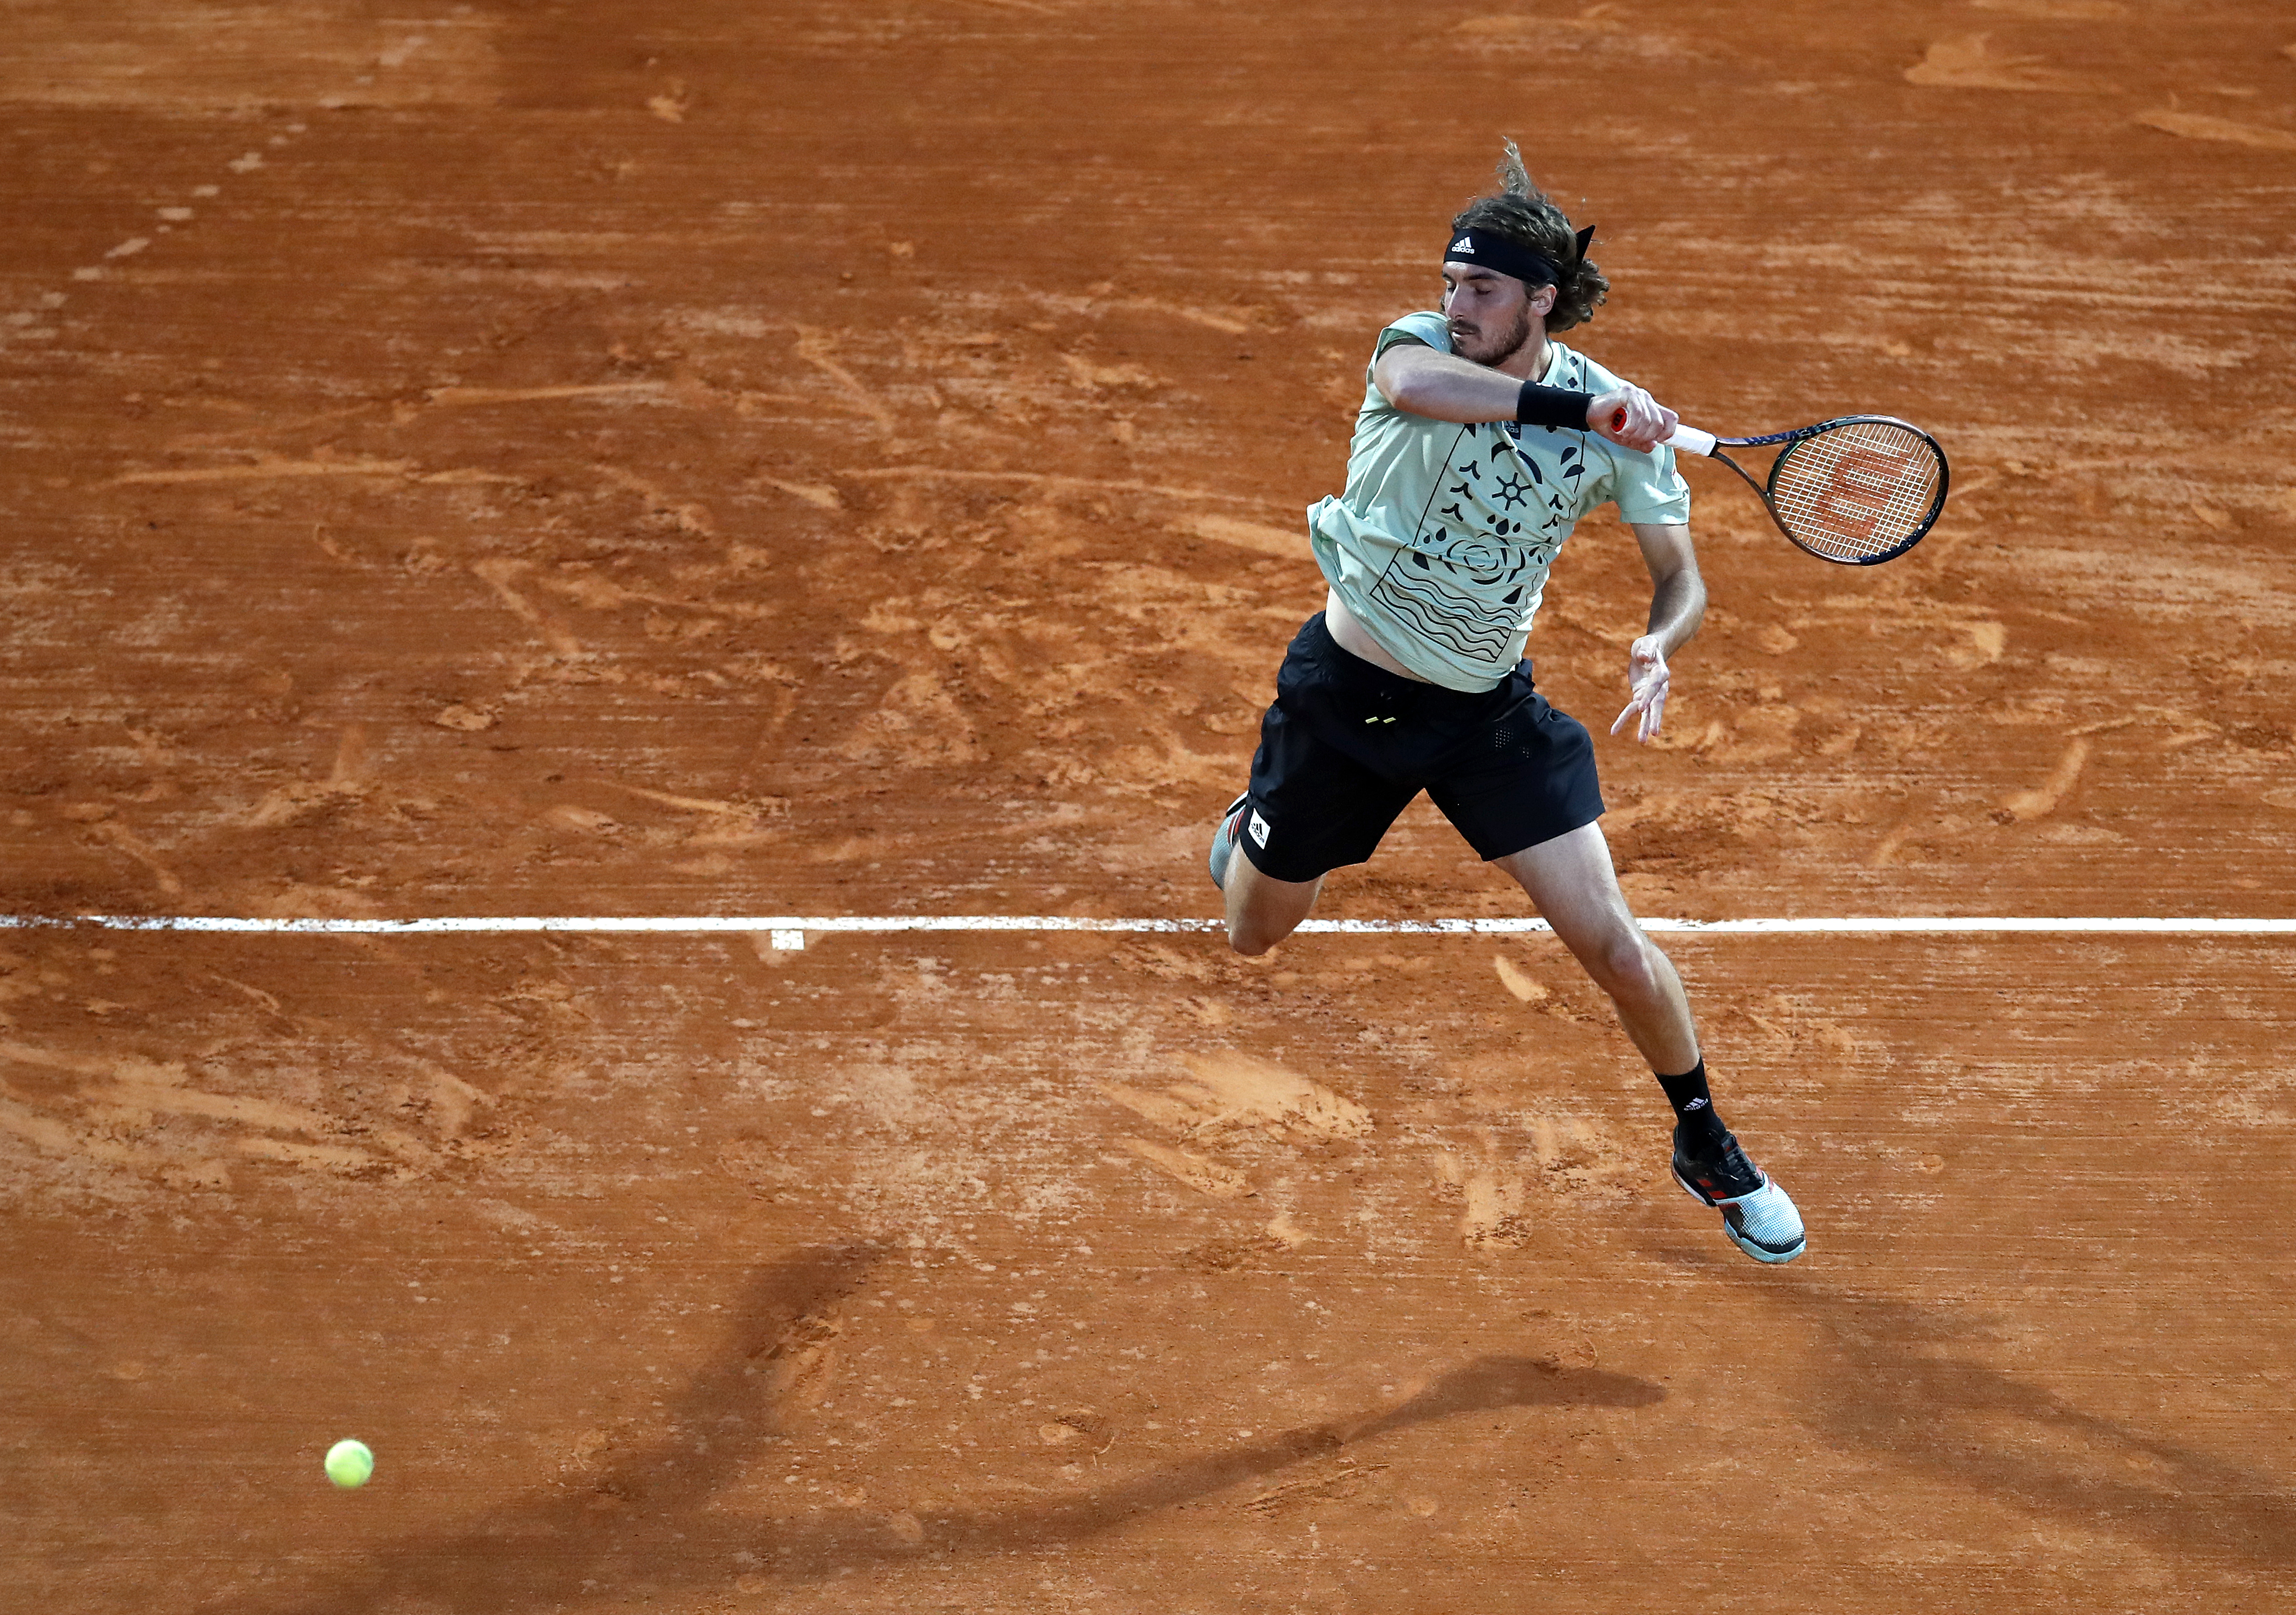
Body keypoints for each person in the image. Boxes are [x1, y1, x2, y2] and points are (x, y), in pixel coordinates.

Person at [1208, 142, 1804, 1264]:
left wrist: (1657, 642)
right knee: (1253, 933)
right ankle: (1250, 827)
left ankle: (1704, 1139)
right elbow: (1416, 393)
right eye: (1450, 281)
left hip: (1487, 715)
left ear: (1541, 299)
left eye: (1481, 287)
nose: (1456, 303)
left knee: (1614, 946)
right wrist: (1582, 416)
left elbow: (1680, 576)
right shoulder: (1422, 349)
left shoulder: (1614, 416)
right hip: (1347, 699)